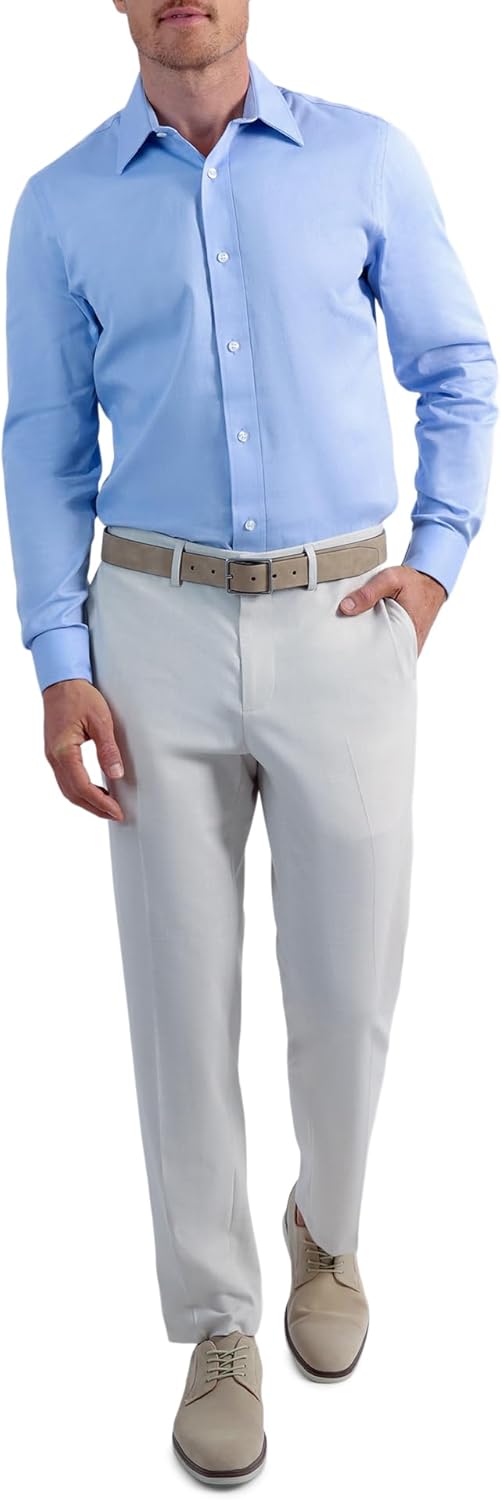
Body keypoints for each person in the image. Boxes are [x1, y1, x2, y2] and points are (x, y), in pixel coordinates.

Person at [2, 0, 498, 1486]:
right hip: (150, 628)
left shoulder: (365, 159)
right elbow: (42, 439)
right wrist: (59, 658)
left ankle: (325, 1231)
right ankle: (217, 1318)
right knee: (178, 993)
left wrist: (435, 562)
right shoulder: (63, 204)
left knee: (348, 987)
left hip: (345, 619)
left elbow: (457, 367)